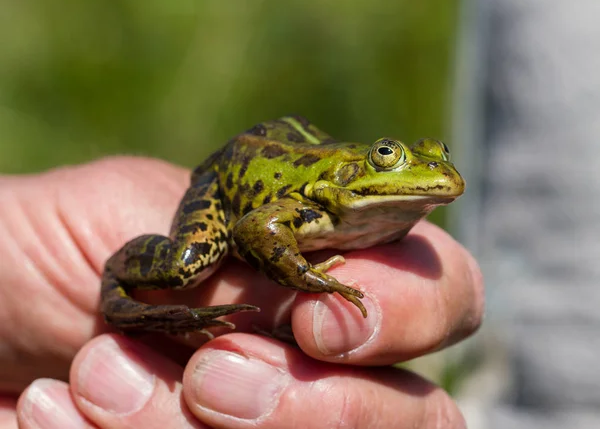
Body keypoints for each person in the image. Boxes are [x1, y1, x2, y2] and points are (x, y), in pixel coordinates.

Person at [0, 156, 483, 428]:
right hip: (227, 177)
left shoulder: (389, 229)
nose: (429, 172)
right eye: (387, 159)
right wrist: (306, 275)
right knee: (186, 265)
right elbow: (254, 225)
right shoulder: (314, 204)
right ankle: (116, 281)